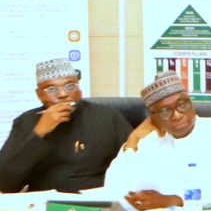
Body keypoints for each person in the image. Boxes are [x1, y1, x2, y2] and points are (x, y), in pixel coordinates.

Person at [104, 72, 211, 211]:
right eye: (165, 111)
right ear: (153, 117)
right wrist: (132, 141)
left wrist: (175, 201)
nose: (177, 115)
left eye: (182, 105)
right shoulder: (149, 144)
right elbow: (115, 192)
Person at [0, 58, 131, 193]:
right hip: (44, 200)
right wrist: (39, 132)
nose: (63, 94)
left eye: (70, 86)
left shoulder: (107, 116)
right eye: (51, 89)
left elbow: (133, 165)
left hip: (96, 198)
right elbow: (5, 184)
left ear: (79, 90)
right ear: (39, 95)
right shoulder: (26, 121)